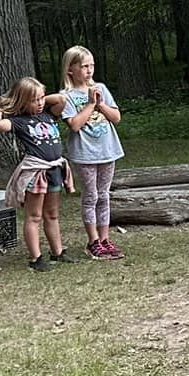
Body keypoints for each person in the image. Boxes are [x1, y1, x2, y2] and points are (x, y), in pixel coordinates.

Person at [0, 78, 68, 273]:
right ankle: (36, 257)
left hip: (54, 170)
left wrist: (38, 96)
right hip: (36, 172)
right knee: (34, 216)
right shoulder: (18, 121)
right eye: (35, 100)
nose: (40, 103)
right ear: (23, 101)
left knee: (52, 214)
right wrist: (2, 105)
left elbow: (61, 100)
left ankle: (57, 251)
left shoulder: (49, 114)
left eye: (41, 98)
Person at [60, 46, 126, 262]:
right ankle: (93, 241)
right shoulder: (66, 96)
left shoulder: (101, 88)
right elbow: (75, 125)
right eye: (84, 66)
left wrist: (100, 104)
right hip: (84, 152)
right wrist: (90, 104)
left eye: (92, 66)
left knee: (104, 195)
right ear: (71, 69)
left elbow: (116, 117)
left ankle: (105, 239)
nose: (89, 70)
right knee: (91, 196)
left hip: (107, 149)